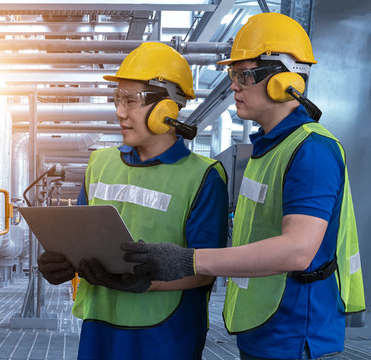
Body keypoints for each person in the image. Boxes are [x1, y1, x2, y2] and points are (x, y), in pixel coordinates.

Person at [122, 13, 365, 360]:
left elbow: (297, 250)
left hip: (295, 334)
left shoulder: (311, 150)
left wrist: (190, 260)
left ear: (283, 79)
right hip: (265, 325)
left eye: (243, 75)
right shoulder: (268, 148)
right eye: (231, 74)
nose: (233, 85)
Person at [37, 42, 229, 360]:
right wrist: (62, 262)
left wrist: (142, 282)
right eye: (116, 99)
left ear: (167, 107)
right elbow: (82, 239)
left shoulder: (203, 176)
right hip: (100, 327)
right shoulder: (99, 164)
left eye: (131, 100)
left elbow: (205, 270)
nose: (119, 111)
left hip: (165, 334)